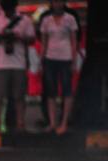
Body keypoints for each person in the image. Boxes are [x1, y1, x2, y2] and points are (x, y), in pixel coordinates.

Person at [0, 0, 35, 132]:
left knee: (19, 95)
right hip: (1, 63)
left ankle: (20, 122)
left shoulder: (24, 20)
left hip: (18, 62)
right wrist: (0, 36)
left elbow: (32, 39)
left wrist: (19, 37)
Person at [40, 0, 78, 135]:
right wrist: (42, 59)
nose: (58, 5)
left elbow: (74, 41)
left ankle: (64, 122)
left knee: (67, 90)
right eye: (55, 2)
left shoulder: (70, 19)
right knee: (51, 91)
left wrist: (74, 61)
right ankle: (52, 122)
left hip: (66, 58)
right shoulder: (46, 20)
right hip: (50, 58)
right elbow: (44, 42)